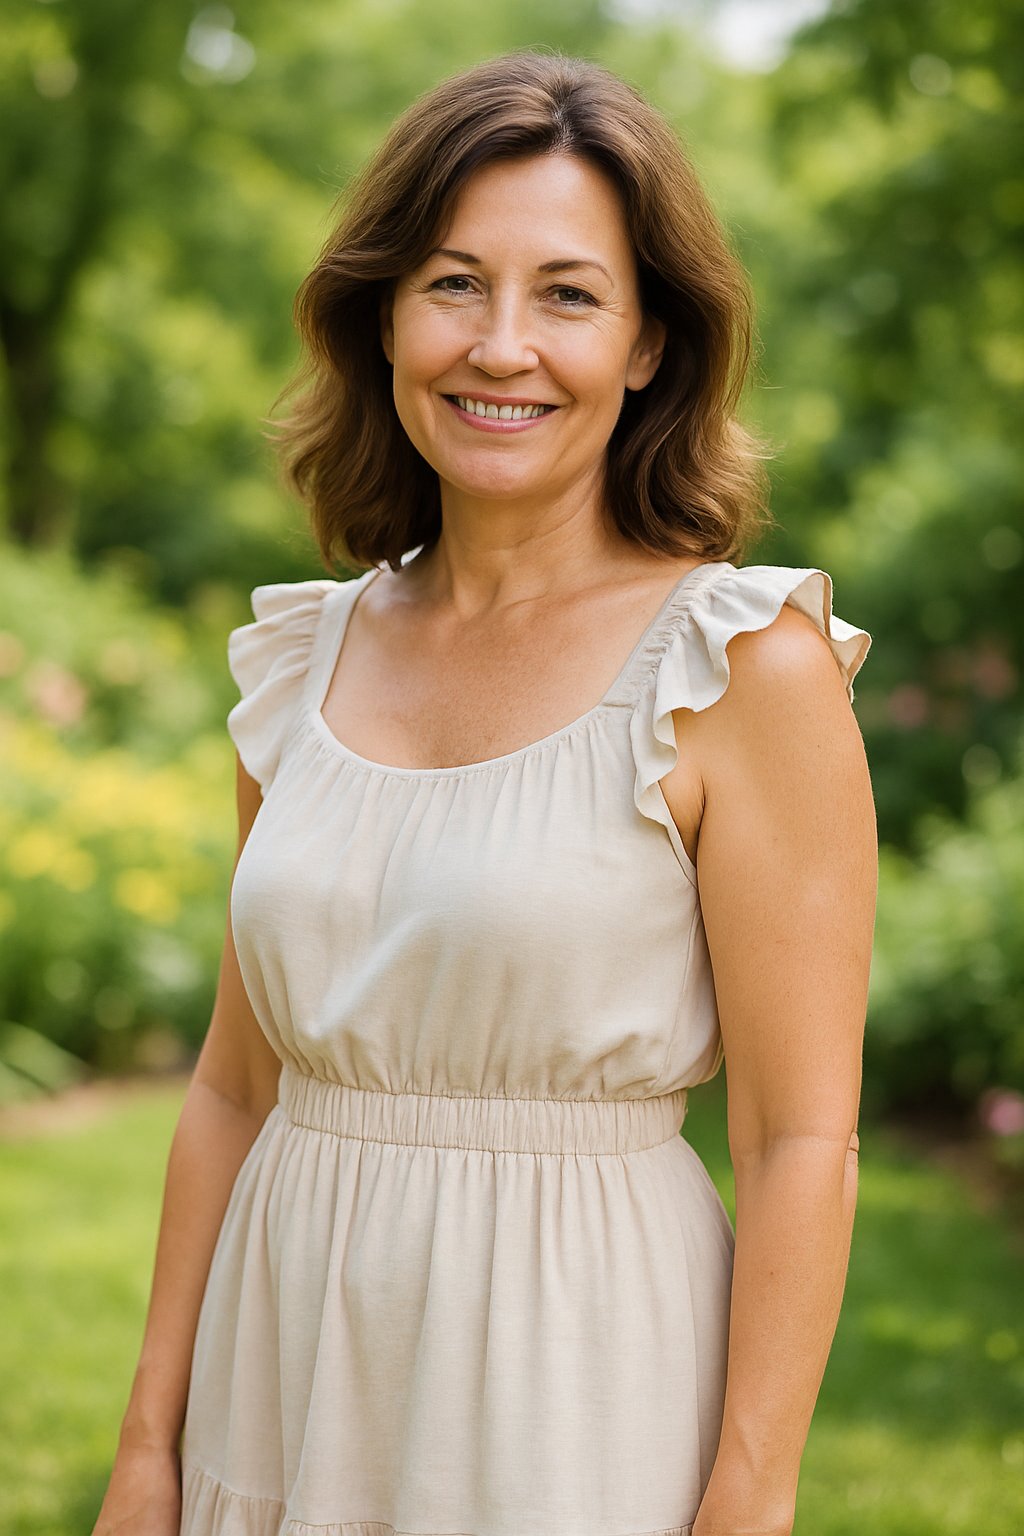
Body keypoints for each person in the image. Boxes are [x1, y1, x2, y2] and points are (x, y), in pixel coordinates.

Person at [93, 50, 876, 1536]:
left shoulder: (741, 669)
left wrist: (748, 1505)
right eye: (454, 284)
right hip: (282, 1364)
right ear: (384, 314)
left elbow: (799, 1141)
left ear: (651, 343)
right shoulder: (300, 658)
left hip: (574, 1392)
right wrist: (148, 1449)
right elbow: (232, 1084)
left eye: (569, 294)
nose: (500, 345)